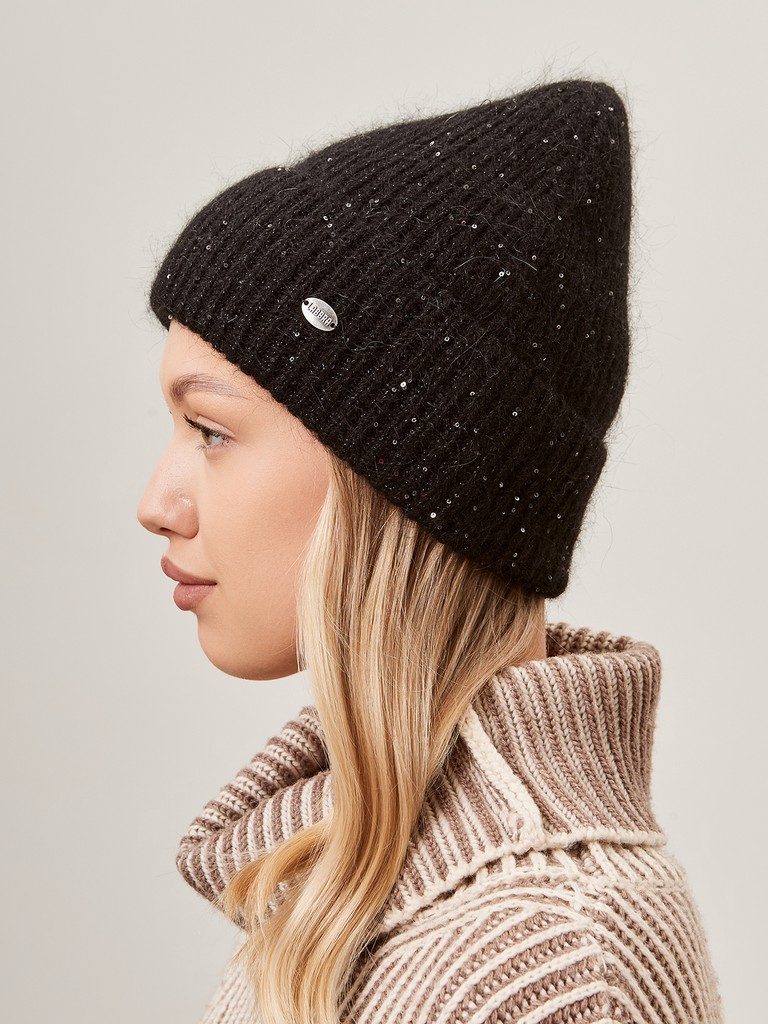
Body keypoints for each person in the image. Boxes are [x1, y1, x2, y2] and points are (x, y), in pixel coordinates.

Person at [138, 77, 724, 1024]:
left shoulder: (550, 962)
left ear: (396, 478)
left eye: (210, 430)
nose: (155, 505)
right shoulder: (361, 889)